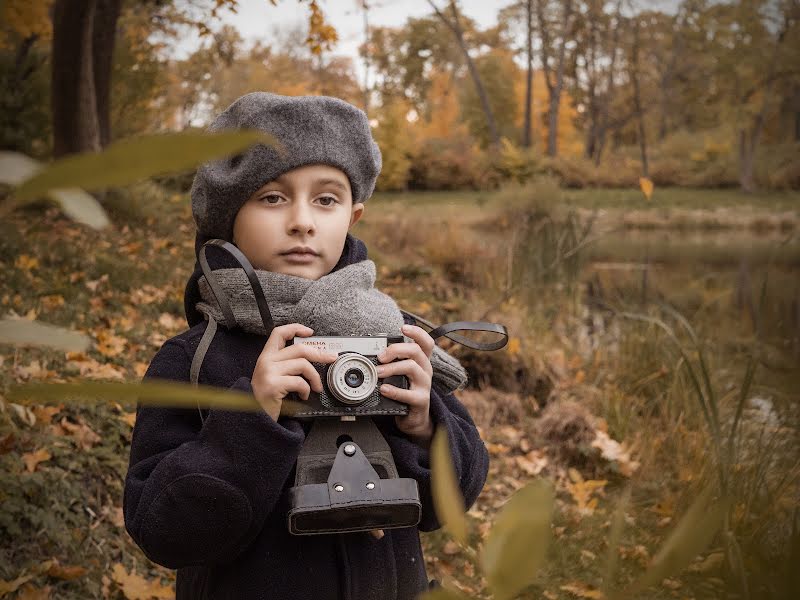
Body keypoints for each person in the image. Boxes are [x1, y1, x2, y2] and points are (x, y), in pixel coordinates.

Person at [123, 92, 489, 600]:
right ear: (228, 220)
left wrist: (427, 427)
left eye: (326, 199)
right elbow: (161, 531)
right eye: (272, 197)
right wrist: (251, 418)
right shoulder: (193, 359)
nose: (302, 221)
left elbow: (453, 501)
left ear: (352, 217)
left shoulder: (387, 339)